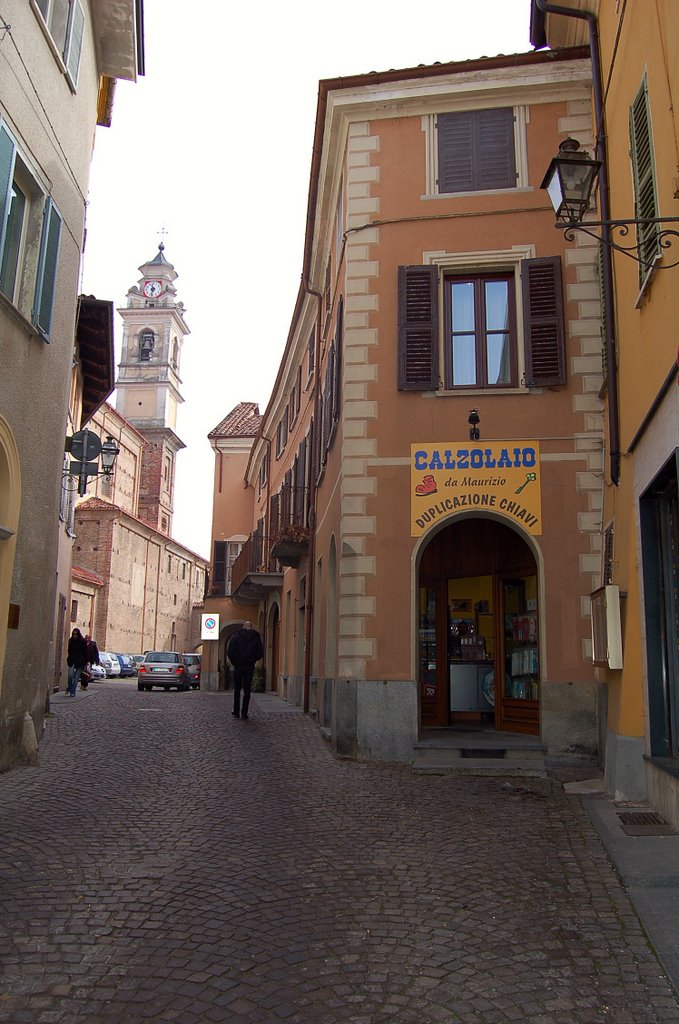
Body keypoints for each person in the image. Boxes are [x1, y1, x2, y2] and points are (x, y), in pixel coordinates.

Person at [227, 621, 263, 720]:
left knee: (237, 689)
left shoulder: (236, 636)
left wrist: (235, 662)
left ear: (243, 627)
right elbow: (260, 653)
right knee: (247, 690)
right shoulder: (256, 637)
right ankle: (244, 712)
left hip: (238, 666)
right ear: (251, 628)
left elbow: (230, 651)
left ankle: (236, 710)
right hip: (249, 666)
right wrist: (252, 660)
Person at [66, 628, 88, 696]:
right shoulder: (71, 640)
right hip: (72, 660)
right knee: (70, 675)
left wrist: (85, 662)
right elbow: (69, 650)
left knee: (76, 678)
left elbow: (85, 652)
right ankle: (70, 687)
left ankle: (73, 691)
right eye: (74, 634)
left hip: (80, 661)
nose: (75, 635)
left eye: (76, 634)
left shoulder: (83, 641)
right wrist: (69, 658)